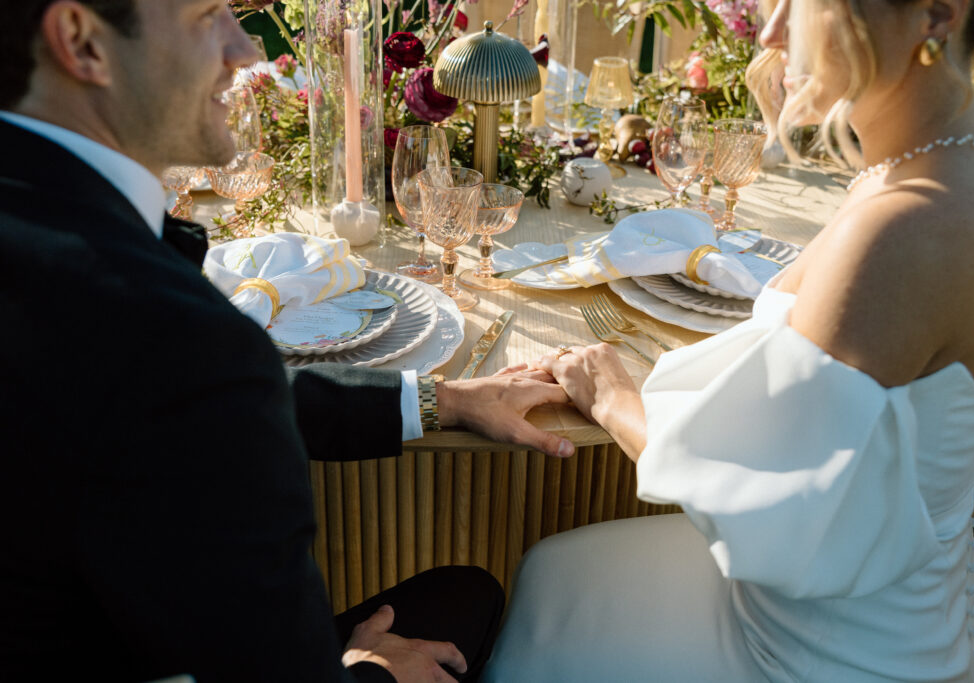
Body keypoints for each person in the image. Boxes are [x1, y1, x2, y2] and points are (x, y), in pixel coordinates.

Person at [0, 1, 575, 681]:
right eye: (206, 15)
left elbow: (144, 400)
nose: (243, 49)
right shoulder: (174, 339)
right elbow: (184, 389)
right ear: (81, 42)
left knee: (464, 594)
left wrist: (438, 399)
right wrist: (371, 671)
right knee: (469, 600)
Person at [481, 0, 974, 680]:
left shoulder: (904, 227)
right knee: (551, 569)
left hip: (811, 653)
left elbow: (758, 497)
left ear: (937, 14)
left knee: (542, 592)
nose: (771, 33)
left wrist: (613, 398)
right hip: (917, 611)